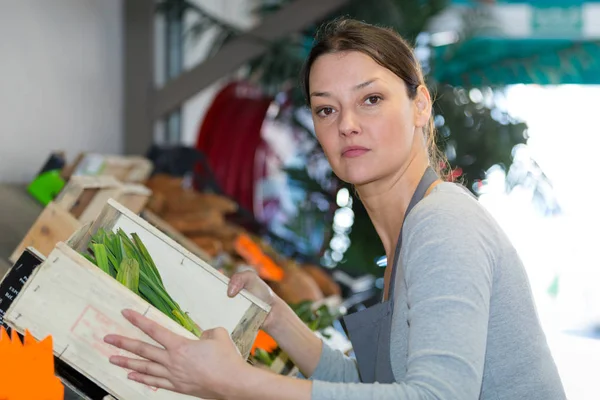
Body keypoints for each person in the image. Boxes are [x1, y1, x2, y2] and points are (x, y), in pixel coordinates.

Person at [103, 18, 567, 400]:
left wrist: (235, 381)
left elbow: (434, 398)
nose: (347, 124)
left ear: (420, 104)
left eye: (371, 99)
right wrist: (278, 318)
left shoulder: (443, 223)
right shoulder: (407, 236)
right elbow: (374, 389)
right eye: (326, 110)